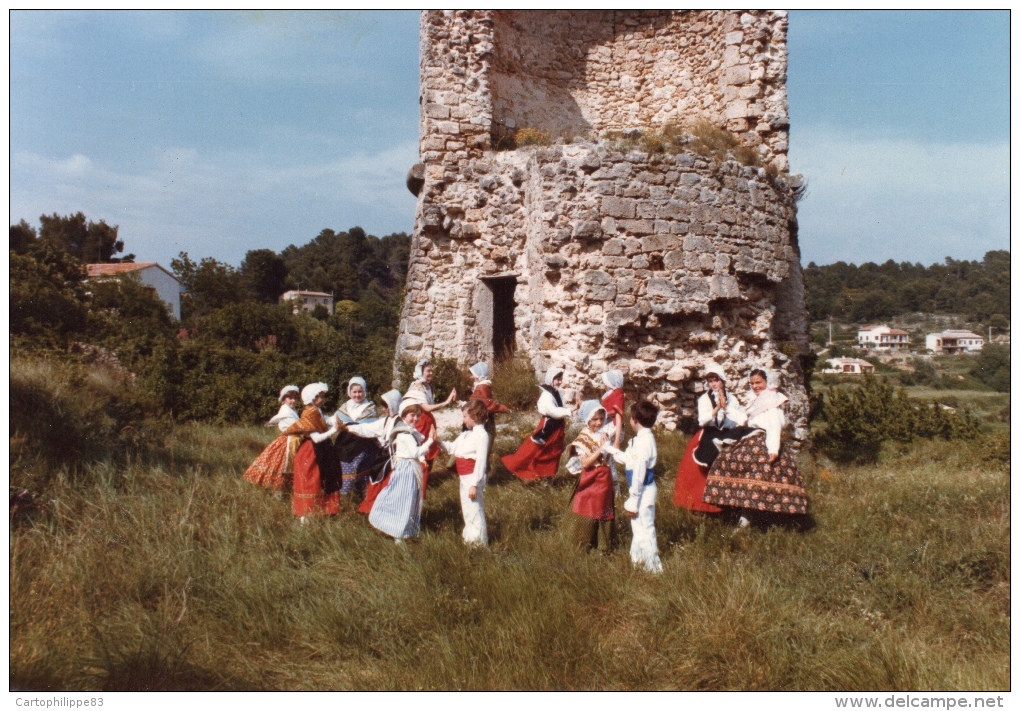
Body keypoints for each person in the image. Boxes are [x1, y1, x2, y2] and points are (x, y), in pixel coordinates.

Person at [703, 368, 809, 527]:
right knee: (732, 467)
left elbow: (774, 426)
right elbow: (744, 420)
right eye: (752, 383)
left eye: (758, 382)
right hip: (751, 438)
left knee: (758, 479)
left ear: (767, 382)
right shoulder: (757, 400)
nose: (755, 386)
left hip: (764, 441)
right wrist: (726, 408)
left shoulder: (772, 401)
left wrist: (773, 449)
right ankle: (742, 513)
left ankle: (755, 518)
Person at [673, 364, 755, 513]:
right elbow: (702, 421)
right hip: (709, 433)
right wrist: (717, 408)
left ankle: (728, 504)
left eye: (715, 380)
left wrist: (726, 408)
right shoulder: (704, 399)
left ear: (722, 380)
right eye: (710, 381)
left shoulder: (733, 399)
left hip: (727, 433)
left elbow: (739, 420)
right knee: (702, 462)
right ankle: (701, 504)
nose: (713, 384)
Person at [602, 400, 663, 573]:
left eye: (630, 418)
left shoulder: (644, 443)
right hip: (641, 490)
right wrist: (609, 448)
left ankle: (653, 567)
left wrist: (633, 500)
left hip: (642, 491)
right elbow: (628, 459)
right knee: (638, 527)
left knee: (645, 528)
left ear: (635, 420)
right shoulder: (641, 439)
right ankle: (638, 561)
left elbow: (638, 474)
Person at [367, 399, 435, 541]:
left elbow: (417, 443)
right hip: (406, 469)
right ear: (403, 416)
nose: (415, 418)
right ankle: (397, 530)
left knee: (407, 498)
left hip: (409, 467)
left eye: (417, 415)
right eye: (412, 415)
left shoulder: (410, 431)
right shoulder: (404, 434)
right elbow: (415, 452)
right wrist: (430, 441)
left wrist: (423, 452)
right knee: (403, 498)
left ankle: (404, 529)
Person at [501, 367, 579, 483]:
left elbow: (560, 408)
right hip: (548, 426)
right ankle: (529, 469)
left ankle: (548, 476)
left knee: (554, 451)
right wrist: (570, 410)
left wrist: (569, 409)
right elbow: (552, 411)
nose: (559, 382)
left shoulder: (557, 392)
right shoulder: (546, 395)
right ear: (551, 379)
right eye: (557, 379)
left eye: (560, 379)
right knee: (540, 450)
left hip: (557, 426)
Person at [565, 400, 619, 554]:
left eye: (601, 419)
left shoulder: (602, 434)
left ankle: (603, 546)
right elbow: (586, 463)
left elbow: (610, 454)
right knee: (588, 508)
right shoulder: (584, 437)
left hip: (604, 477)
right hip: (591, 479)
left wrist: (619, 420)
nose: (599, 422)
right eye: (595, 419)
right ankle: (583, 544)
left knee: (604, 509)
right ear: (587, 419)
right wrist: (601, 450)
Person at [437, 399, 491, 547]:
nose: (463, 419)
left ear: (474, 416)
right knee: (467, 508)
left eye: (465, 417)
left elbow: (480, 462)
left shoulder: (482, 435)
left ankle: (479, 542)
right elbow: (452, 448)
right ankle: (470, 538)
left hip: (473, 478)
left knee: (474, 508)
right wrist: (438, 441)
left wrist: (474, 484)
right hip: (464, 478)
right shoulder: (466, 435)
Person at [342, 389, 404, 515]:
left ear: (394, 405)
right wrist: (347, 427)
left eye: (386, 407)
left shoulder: (401, 423)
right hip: (385, 458)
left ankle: (385, 512)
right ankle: (374, 511)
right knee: (377, 483)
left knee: (388, 486)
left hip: (395, 460)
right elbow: (367, 429)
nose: (384, 410)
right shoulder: (387, 420)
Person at [291, 383, 342, 521]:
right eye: (320, 397)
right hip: (311, 451)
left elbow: (325, 420)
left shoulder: (316, 410)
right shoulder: (309, 413)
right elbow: (316, 438)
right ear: (312, 398)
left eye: (323, 396)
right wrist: (334, 430)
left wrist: (337, 418)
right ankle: (305, 516)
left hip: (321, 450)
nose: (323, 399)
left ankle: (324, 510)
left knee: (323, 480)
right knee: (311, 482)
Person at [404, 358, 456, 493]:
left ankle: (425, 480)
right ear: (420, 372)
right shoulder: (416, 386)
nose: (431, 373)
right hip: (419, 421)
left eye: (432, 370)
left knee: (430, 448)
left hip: (428, 421)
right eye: (428, 371)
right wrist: (446, 402)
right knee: (421, 450)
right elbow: (426, 408)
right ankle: (416, 483)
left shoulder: (427, 386)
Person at [243, 385, 303, 491]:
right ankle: (278, 490)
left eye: (295, 398)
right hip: (287, 441)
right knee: (281, 465)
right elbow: (280, 418)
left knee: (286, 465)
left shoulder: (292, 410)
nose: (293, 400)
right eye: (290, 398)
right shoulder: (286, 410)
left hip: (293, 440)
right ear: (284, 399)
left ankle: (283, 490)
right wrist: (271, 423)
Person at [333, 376, 381, 498]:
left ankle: (362, 493)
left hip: (363, 441)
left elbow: (373, 427)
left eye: (360, 392)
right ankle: (344, 494)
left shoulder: (370, 407)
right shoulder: (345, 406)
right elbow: (335, 420)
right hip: (346, 441)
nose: (357, 395)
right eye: (354, 392)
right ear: (350, 392)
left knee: (361, 466)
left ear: (364, 392)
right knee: (345, 465)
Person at [466, 361, 509, 468]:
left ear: (479, 376)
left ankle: (481, 469)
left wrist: (502, 408)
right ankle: (480, 467)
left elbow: (486, 405)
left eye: (473, 374)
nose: (471, 377)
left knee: (484, 444)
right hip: (484, 418)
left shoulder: (482, 387)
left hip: (484, 420)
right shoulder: (481, 386)